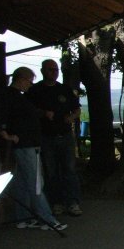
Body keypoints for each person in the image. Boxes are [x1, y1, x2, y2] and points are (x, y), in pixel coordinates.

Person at [0, 67, 67, 231]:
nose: (30, 85)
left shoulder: (16, 97)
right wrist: (7, 134)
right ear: (22, 79)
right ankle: (47, 219)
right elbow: (2, 117)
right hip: (25, 144)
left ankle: (23, 218)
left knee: (22, 183)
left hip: (26, 143)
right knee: (36, 182)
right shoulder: (11, 97)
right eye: (29, 82)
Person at [26, 59, 82, 216]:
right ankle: (56, 202)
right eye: (50, 69)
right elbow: (27, 111)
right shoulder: (35, 91)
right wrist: (43, 113)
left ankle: (73, 202)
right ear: (43, 71)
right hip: (46, 136)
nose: (54, 72)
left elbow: (77, 109)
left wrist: (72, 117)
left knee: (69, 170)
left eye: (56, 69)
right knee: (51, 171)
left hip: (65, 135)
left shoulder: (64, 89)